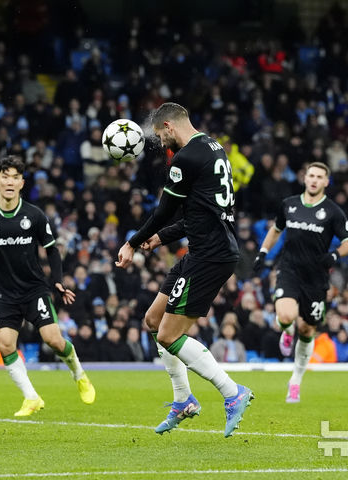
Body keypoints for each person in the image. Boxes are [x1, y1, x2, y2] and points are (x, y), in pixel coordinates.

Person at [116, 102, 252, 437]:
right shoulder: (214, 148)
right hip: (203, 249)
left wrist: (133, 242)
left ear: (169, 125)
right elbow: (196, 215)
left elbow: (164, 211)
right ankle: (183, 400)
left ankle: (232, 392)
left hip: (210, 255)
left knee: (168, 334)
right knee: (152, 320)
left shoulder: (186, 157)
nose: (161, 143)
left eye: (161, 136)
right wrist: (160, 239)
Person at [0, 156, 95, 417]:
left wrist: (57, 279)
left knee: (54, 340)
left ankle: (80, 375)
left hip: (34, 289)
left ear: (22, 183)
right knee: (5, 345)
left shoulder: (35, 215)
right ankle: (31, 397)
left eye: (15, 177)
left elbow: (52, 250)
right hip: (4, 293)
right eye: (5, 176)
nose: (10, 181)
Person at [252, 162, 348, 403]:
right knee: (287, 316)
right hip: (289, 270)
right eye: (311, 175)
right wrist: (263, 252)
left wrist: (335, 254)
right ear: (304, 177)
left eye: (320, 177)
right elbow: (276, 230)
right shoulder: (289, 204)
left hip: (316, 277)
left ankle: (295, 381)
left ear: (325, 182)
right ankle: (286, 331)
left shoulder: (332, 211)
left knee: (308, 330)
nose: (314, 180)